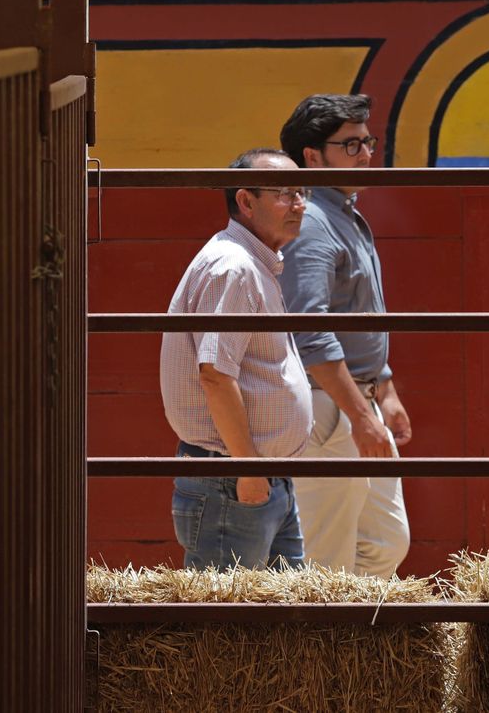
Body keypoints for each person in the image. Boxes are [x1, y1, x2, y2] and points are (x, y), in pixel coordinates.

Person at [159, 148, 315, 570]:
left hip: (253, 477)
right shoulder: (234, 267)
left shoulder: (250, 263)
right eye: (285, 193)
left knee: (283, 605)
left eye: (302, 192)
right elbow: (215, 374)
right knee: (228, 608)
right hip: (233, 480)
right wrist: (248, 469)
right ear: (246, 201)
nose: (299, 204)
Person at [277, 94, 411, 577]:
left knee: (385, 543)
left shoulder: (341, 213)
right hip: (330, 406)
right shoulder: (314, 221)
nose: (366, 154)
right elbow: (309, 329)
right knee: (325, 557)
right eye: (351, 145)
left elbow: (356, 312)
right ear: (312, 156)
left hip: (354, 399)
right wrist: (359, 413)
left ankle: (353, 629)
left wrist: (384, 389)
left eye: (368, 142)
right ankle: (323, 629)